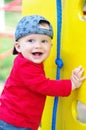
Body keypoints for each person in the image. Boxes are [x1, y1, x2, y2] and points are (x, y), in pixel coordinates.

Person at [0, 15, 85, 130]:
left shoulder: (29, 61)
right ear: (18, 47)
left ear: (51, 46)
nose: (38, 45)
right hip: (14, 122)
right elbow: (44, 85)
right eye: (31, 40)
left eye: (44, 41)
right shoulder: (24, 66)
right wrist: (71, 84)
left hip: (18, 120)